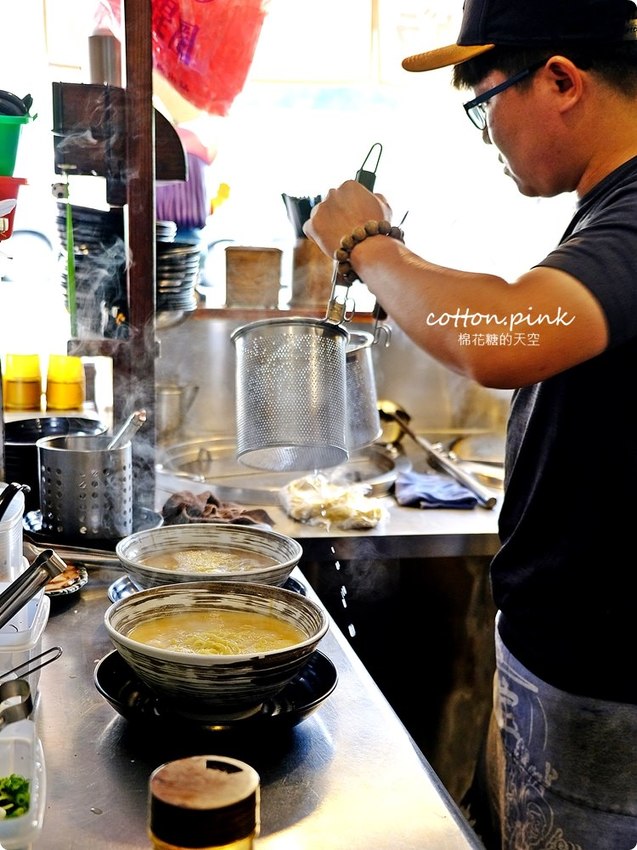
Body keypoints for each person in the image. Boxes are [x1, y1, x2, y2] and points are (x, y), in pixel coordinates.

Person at [304, 1, 637, 848]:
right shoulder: (607, 208)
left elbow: (505, 335)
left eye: (481, 100)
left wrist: (367, 246)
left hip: (604, 690)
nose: (483, 135)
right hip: (570, 670)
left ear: (559, 79)